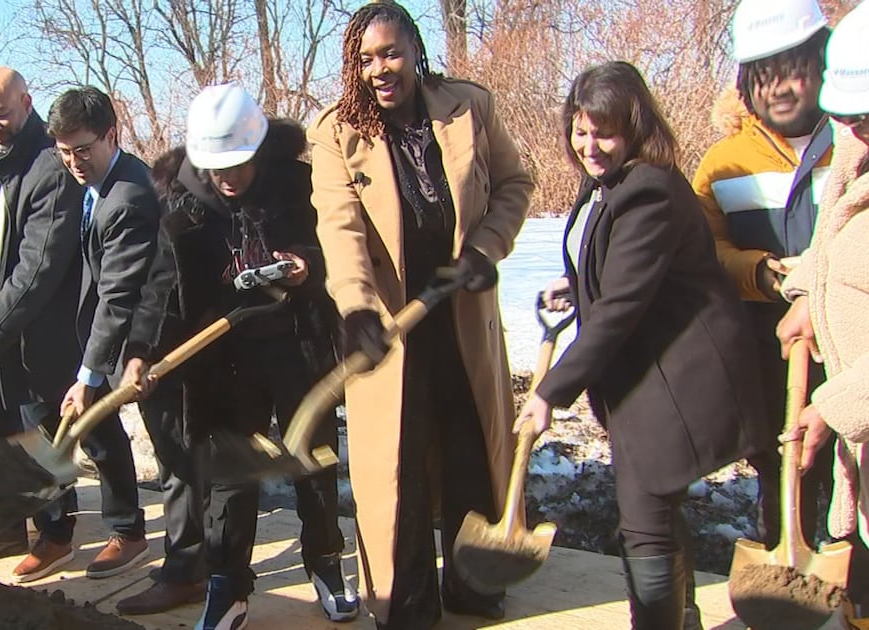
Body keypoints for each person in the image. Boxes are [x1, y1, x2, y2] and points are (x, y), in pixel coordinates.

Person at [517, 62, 772, 630]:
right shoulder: (613, 184)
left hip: (679, 375)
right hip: (645, 372)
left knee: (646, 515)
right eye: (579, 131)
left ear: (634, 125)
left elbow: (623, 306)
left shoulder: (649, 189)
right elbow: (623, 271)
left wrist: (552, 390)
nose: (589, 145)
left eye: (603, 131)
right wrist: (578, 285)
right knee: (651, 508)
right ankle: (678, 617)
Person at [307, 3, 533, 627]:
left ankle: (474, 580)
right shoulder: (335, 134)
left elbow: (515, 185)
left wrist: (486, 248)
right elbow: (341, 230)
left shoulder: (469, 108)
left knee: (469, 450)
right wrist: (354, 306)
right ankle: (405, 603)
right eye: (366, 58)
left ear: (415, 49)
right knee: (397, 470)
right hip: (391, 331)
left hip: (462, 321)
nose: (381, 69)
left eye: (392, 53)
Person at [128, 83, 359, 629]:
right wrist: (141, 353)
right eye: (217, 168)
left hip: (297, 345)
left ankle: (326, 563)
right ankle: (228, 584)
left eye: (239, 165)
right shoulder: (182, 213)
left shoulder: (300, 187)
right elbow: (159, 293)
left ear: (260, 149)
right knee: (231, 477)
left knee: (313, 458)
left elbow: (339, 247)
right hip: (225, 363)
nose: (228, 178)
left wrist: (305, 265)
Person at [0, 67, 141, 586]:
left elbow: (40, 267)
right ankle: (55, 535)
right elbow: (9, 259)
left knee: (92, 431)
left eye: (1, 113)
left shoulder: (51, 167)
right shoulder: (10, 167)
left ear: (26, 103)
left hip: (59, 329)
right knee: (39, 434)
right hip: (21, 330)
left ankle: (126, 528)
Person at [692, 0, 834, 547]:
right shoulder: (725, 163)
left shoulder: (853, 143)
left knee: (850, 469)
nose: (778, 88)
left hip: (846, 343)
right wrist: (761, 273)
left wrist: (822, 274)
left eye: (792, 69)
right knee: (779, 463)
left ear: (821, 63)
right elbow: (707, 249)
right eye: (763, 75)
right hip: (761, 346)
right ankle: (784, 555)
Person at [778, 1, 869, 619]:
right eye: (841, 114)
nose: (851, 130)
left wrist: (830, 407)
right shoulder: (853, 158)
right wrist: (808, 289)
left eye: (864, 115)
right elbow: (835, 240)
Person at [47, 87, 155, 582]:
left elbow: (117, 295)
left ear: (112, 134)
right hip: (114, 336)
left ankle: (180, 559)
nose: (74, 161)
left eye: (83, 149)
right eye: (65, 152)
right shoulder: (94, 184)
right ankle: (129, 530)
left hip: (150, 342)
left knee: (172, 452)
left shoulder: (129, 196)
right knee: (96, 425)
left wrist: (88, 374)